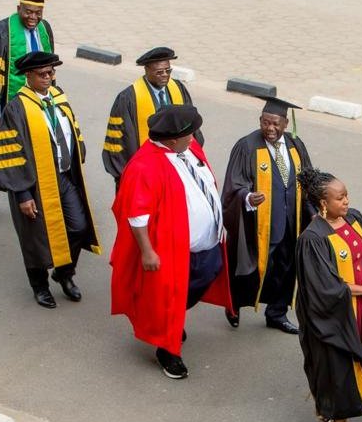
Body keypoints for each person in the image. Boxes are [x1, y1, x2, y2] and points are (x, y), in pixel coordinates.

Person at [110, 104, 232, 379]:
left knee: (208, 274)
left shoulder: (187, 150)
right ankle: (167, 351)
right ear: (172, 139)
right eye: (189, 135)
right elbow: (137, 215)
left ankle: (173, 317)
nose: (194, 138)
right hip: (171, 250)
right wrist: (147, 252)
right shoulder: (145, 166)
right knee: (167, 298)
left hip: (206, 245)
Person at [0, 51, 100, 308]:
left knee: (78, 227)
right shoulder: (17, 108)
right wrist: (22, 194)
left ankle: (64, 273)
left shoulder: (59, 97)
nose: (49, 78)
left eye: (52, 72)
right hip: (33, 182)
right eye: (43, 74)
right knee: (35, 238)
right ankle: (39, 286)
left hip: (63, 176)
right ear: (28, 76)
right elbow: (10, 154)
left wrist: (78, 154)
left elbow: (73, 129)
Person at [294, 167, 362, 422]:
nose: (346, 202)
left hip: (360, 310)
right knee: (337, 366)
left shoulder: (355, 219)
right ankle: (340, 420)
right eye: (340, 198)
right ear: (323, 203)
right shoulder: (312, 238)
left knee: (357, 361)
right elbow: (320, 285)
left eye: (346, 195)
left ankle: (329, 404)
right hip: (331, 314)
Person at [221, 96, 312, 334]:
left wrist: (312, 212)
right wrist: (248, 198)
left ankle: (276, 314)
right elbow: (235, 183)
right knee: (247, 266)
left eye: (275, 124)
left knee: (284, 267)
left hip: (291, 221)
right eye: (265, 122)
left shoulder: (295, 145)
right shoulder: (247, 146)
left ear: (285, 123)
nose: (270, 129)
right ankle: (234, 306)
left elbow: (308, 180)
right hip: (259, 222)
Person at [0, 0, 57, 220]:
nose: (33, 18)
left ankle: (30, 194)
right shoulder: (3, 31)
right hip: (5, 103)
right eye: (28, 12)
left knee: (34, 148)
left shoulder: (45, 28)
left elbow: (50, 65)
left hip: (37, 101)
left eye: (38, 13)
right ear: (18, 8)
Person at [102, 46, 202, 186]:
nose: (165, 75)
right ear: (147, 70)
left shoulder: (178, 89)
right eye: (159, 72)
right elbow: (119, 143)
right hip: (144, 173)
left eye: (168, 71)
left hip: (177, 166)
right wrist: (128, 177)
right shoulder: (129, 98)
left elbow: (191, 127)